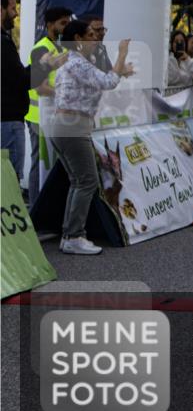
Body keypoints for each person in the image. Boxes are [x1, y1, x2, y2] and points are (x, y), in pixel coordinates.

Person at [47, 19, 134, 254]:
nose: (96, 38)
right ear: (77, 39)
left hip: (69, 126)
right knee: (86, 181)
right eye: (90, 34)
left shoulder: (80, 62)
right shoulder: (77, 62)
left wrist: (121, 72)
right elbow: (107, 82)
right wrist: (122, 54)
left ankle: (70, 235)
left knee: (79, 181)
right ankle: (74, 235)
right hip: (72, 127)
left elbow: (102, 81)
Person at [1, 0, 60, 183]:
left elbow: (15, 76)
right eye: (12, 8)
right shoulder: (4, 43)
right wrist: (44, 65)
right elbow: (21, 81)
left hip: (11, 120)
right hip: (9, 121)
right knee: (9, 180)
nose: (16, 13)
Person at [25, 6, 72, 207]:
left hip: (54, 117)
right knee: (40, 164)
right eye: (63, 23)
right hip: (38, 117)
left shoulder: (62, 48)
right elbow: (40, 87)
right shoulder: (41, 49)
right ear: (50, 25)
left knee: (53, 165)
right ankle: (36, 210)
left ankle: (49, 209)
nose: (66, 27)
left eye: (68, 22)